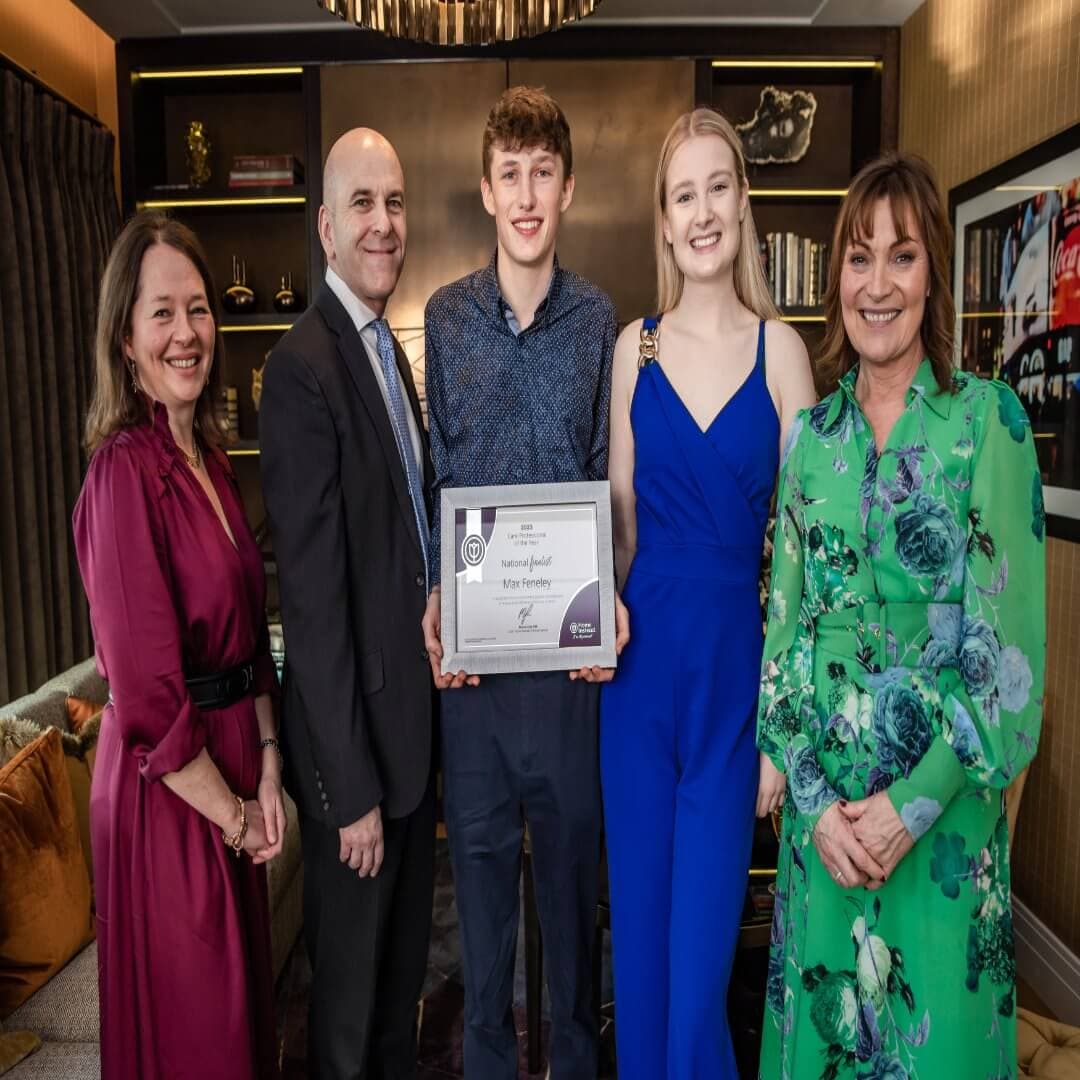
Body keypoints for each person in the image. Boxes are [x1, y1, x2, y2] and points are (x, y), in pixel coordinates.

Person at [757, 152, 1045, 1078]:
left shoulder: (989, 423)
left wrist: (905, 811)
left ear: (933, 277)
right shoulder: (809, 442)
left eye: (903, 256)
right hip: (826, 842)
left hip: (942, 835)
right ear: (836, 277)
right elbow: (783, 645)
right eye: (859, 257)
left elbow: (1008, 672)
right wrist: (816, 808)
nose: (877, 285)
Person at [598, 108, 816, 1078]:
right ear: (663, 217)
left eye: (717, 187)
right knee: (642, 973)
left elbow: (811, 562)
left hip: (735, 691)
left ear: (742, 200)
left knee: (696, 991)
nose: (701, 212)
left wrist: (781, 729)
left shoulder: (783, 353)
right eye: (682, 194)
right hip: (638, 685)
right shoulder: (633, 349)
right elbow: (619, 530)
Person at [421, 86, 625, 1078]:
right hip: (474, 681)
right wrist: (439, 600)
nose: (529, 194)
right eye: (512, 174)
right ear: (488, 190)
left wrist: (610, 595)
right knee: (484, 934)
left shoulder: (599, 320)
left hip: (570, 675)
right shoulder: (445, 319)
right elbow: (439, 477)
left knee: (575, 928)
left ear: (568, 187)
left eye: (544, 173)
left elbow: (605, 470)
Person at [73, 212, 284, 1080]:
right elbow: (148, 698)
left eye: (197, 309)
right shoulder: (121, 474)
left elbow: (250, 641)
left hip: (231, 766)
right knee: (204, 1043)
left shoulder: (213, 461)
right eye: (161, 313)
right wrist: (234, 816)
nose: (186, 333)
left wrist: (267, 760)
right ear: (125, 340)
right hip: (170, 797)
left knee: (243, 1029)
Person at [259, 128, 435, 1079]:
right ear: (327, 227)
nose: (382, 223)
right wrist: (350, 793)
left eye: (394, 203)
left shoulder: (385, 353)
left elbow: (403, 548)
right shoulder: (302, 369)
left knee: (395, 1011)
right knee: (346, 1032)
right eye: (362, 203)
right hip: (356, 775)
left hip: (407, 749)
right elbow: (315, 608)